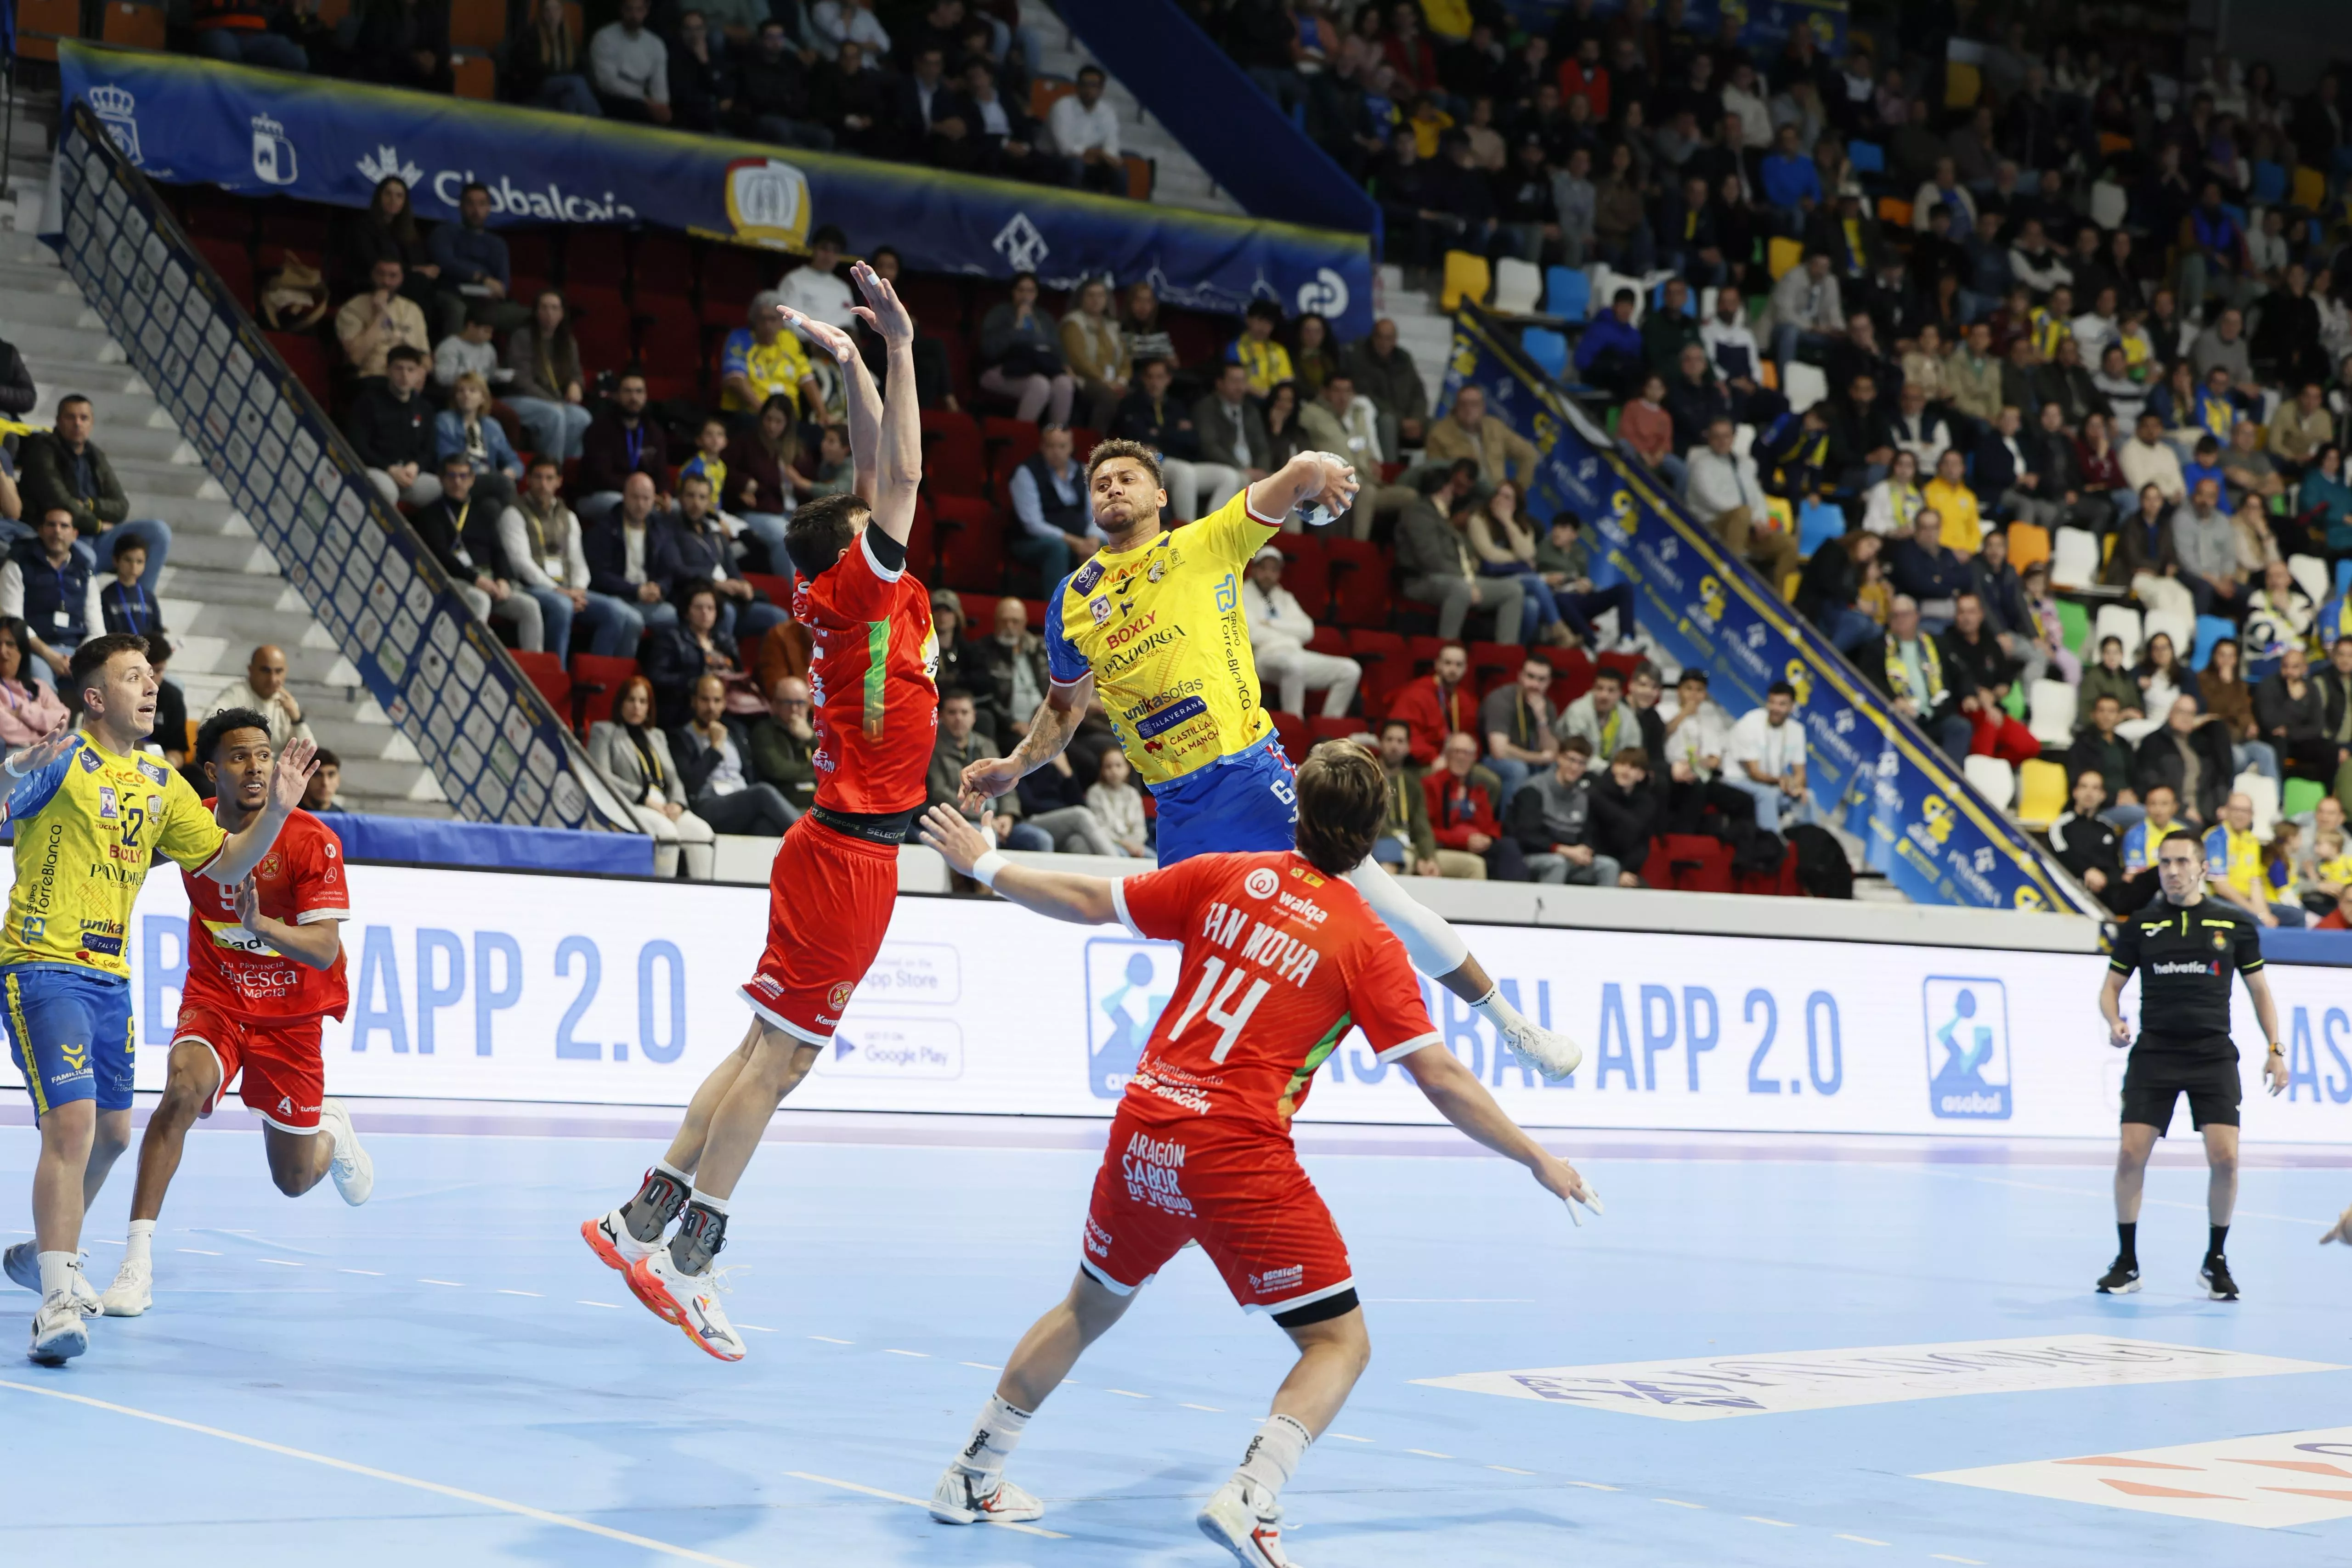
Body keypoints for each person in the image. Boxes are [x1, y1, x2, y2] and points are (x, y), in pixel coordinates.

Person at [918, 744, 1598, 1551]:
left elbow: (1086, 896)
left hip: (1145, 1127)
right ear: (1376, 834)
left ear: (1298, 813)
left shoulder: (1224, 873)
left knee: (1088, 1304)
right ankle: (1252, 1494)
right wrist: (1536, 1156)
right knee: (1340, 1341)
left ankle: (971, 1471)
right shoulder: (1368, 942)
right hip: (1236, 1151)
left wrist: (986, 860)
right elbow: (1442, 1077)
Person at [958, 437, 1582, 1078]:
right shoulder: (1072, 598)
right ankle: (1200, 1093)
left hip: (1254, 782)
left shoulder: (1206, 543)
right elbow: (1063, 709)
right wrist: (1015, 765)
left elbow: (1294, 477)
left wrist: (1321, 472)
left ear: (1160, 495)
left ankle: (1512, 1023)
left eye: (1127, 478)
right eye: (1101, 484)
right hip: (1177, 809)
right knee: (1206, 963)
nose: (1112, 489)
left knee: (1385, 905)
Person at [580, 263, 936, 1360]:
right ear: (859, 540)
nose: (891, 508)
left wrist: (846, 364)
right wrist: (904, 350)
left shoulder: (844, 588)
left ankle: (640, 1215)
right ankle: (694, 1253)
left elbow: (878, 467)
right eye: (877, 517)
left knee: (764, 1051)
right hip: (848, 856)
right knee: (779, 1067)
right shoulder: (868, 584)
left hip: (838, 848)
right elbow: (904, 470)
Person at [0, 636, 315, 1363]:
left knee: (113, 1136)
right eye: (132, 677)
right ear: (94, 696)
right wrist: (14, 766)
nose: (150, 687)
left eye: (152, 676)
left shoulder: (160, 779)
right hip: (42, 964)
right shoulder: (62, 760)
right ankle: (57, 1300)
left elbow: (228, 859)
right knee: (74, 1126)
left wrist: (277, 813)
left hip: (110, 978)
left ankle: (45, 1248)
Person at [90, 710, 365, 1319]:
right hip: (216, 999)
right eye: (240, 756)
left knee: (293, 1179)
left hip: (292, 1016)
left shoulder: (312, 837)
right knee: (180, 1093)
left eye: (264, 754)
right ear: (211, 769)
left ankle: (332, 1131)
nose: (256, 766)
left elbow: (323, 948)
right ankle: (136, 1265)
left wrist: (261, 925)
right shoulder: (192, 823)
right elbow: (128, 856)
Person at [2096, 827, 2287, 1303]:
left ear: (2203, 867)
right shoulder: (2140, 924)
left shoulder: (2233, 925)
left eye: (2182, 862)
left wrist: (2275, 1048)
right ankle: (2126, 1262)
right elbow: (2109, 989)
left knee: (2225, 1159)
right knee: (2128, 1155)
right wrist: (2114, 1020)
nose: (2172, 871)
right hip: (2154, 1052)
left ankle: (2215, 1260)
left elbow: (2259, 990)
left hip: (2211, 1054)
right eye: (2164, 863)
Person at [17, 395, 170, 592]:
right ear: (58, 420)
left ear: (92, 423)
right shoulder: (43, 451)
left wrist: (90, 505)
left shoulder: (95, 455)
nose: (77, 424)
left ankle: (141, 607)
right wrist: (97, 524)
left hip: (97, 538)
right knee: (86, 555)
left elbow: (121, 506)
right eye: (70, 417)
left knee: (158, 532)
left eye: (84, 418)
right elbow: (60, 501)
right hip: (62, 537)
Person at [502, 456, 627, 662]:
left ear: (559, 481)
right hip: (531, 587)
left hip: (568, 589)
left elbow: (578, 560)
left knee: (617, 612)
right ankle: (555, 673)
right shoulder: (513, 513)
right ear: (529, 480)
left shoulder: (568, 516)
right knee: (562, 606)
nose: (544, 484)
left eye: (550, 478)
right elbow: (521, 563)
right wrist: (558, 591)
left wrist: (577, 589)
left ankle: (593, 677)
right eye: (538, 478)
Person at [590, 674, 714, 879]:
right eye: (631, 700)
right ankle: (661, 897)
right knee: (667, 835)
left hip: (664, 805)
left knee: (703, 834)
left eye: (643, 701)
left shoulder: (657, 735)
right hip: (631, 805)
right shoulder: (604, 731)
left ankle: (703, 899)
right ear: (621, 702)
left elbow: (673, 777)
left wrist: (678, 804)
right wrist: (643, 798)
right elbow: (600, 776)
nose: (637, 707)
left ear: (649, 707)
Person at [413, 456, 543, 652]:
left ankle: (533, 668)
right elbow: (442, 557)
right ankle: (471, 659)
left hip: (489, 581)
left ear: (472, 480)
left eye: (463, 476)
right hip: (457, 580)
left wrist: (503, 580)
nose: (458, 482)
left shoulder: (484, 512)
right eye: (452, 476)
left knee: (530, 606)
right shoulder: (430, 515)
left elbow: (499, 551)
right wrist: (476, 580)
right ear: (441, 479)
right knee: (480, 600)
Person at [1395, 481, 1525, 643]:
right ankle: (1448, 649)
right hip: (1423, 579)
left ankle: (1505, 656)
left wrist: (1471, 568)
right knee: (1461, 589)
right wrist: (1466, 581)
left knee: (1513, 591)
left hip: (1459, 578)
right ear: (1443, 489)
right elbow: (1430, 559)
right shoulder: (1418, 513)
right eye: (1451, 489)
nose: (1453, 494)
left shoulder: (1447, 518)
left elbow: (1465, 552)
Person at [674, 672, 797, 836]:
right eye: (705, 700)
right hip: (708, 805)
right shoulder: (681, 738)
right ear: (694, 701)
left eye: (717, 701)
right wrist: (715, 749)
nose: (711, 707)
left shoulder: (736, 732)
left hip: (742, 802)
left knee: (765, 827)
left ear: (724, 703)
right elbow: (689, 784)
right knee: (763, 792)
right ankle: (811, 838)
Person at [1684, 417, 1798, 594]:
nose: (1722, 441)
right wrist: (1751, 519)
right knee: (1742, 513)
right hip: (1713, 526)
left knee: (1789, 544)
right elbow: (1713, 500)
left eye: (1726, 436)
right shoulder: (1700, 464)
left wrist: (1761, 522)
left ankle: (1777, 600)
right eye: (1717, 437)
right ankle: (1732, 584)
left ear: (1734, 437)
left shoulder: (1745, 464)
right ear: (1709, 439)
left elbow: (1757, 497)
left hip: (1746, 527)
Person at [1244, 546, 1360, 718]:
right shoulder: (1241, 593)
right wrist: (1289, 631)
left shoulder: (1285, 597)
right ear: (1254, 569)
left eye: (1274, 570)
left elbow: (1307, 630)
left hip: (1296, 652)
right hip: (1262, 657)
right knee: (1294, 666)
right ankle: (1295, 722)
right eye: (1264, 568)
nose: (1268, 574)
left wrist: (1270, 623)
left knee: (1350, 670)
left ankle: (1328, 727)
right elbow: (1252, 634)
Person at [1, 508, 102, 689]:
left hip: (76, 652)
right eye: (51, 525)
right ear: (41, 530)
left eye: (64, 526)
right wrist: (50, 656)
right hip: (34, 650)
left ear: (74, 534)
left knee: (104, 688)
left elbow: (97, 629)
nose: (57, 531)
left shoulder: (85, 570)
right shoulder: (18, 563)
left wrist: (78, 659)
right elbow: (13, 622)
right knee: (44, 686)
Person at [1869, 594, 1972, 763]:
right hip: (1903, 717)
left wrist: (1969, 694)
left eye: (1905, 614)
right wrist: (1894, 699)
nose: (1900, 619)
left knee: (1961, 727)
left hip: (1937, 714)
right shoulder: (1878, 648)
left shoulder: (1936, 643)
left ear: (1916, 616)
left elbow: (1960, 672)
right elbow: (1871, 678)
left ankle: (1946, 779)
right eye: (1895, 615)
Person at [1508, 736, 1621, 886]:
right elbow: (1527, 836)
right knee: (1557, 863)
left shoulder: (1585, 794)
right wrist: (1562, 850)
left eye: (1582, 763)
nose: (1575, 768)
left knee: (1609, 866)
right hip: (1535, 856)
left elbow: (1589, 832)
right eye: (1571, 760)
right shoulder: (1534, 790)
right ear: (1559, 758)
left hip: (1571, 856)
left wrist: (1585, 849)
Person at [1005, 424, 1103, 588]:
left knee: (1109, 545)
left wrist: (1092, 540)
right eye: (1051, 446)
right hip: (1031, 541)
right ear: (1042, 447)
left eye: (1062, 446)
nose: (1056, 452)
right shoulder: (1026, 473)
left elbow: (1096, 513)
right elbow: (1033, 525)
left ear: (1071, 447)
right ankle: (1055, 610)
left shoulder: (1084, 471)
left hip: (1080, 540)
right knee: (1058, 549)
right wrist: (1075, 543)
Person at [343, 345, 441, 509]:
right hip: (377, 469)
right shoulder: (369, 402)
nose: (405, 375)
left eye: (411, 370)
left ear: (418, 374)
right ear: (388, 370)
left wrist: (415, 467)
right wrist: (389, 469)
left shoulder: (425, 408)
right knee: (388, 491)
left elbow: (428, 450)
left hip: (409, 474)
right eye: (399, 369)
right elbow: (358, 445)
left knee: (439, 488)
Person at [503, 290, 593, 462]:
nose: (549, 313)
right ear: (536, 312)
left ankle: (568, 469)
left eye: (554, 308)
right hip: (521, 398)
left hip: (555, 402)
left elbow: (576, 372)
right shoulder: (523, 336)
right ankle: (551, 466)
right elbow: (522, 381)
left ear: (562, 314)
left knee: (582, 417)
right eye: (544, 308)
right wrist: (552, 401)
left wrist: (576, 384)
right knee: (554, 415)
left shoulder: (567, 341)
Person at [1425, 731, 1526, 880]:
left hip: (1478, 846)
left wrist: (1489, 839)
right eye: (1456, 752)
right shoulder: (1432, 785)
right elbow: (1426, 831)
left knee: (1508, 847)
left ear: (1473, 758)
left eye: (1467, 753)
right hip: (1446, 846)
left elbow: (1490, 825)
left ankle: (1514, 900)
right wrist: (1463, 841)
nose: (1461, 757)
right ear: (1447, 754)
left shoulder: (1478, 789)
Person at [1721, 681, 1809, 832]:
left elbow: (1800, 772)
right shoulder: (1750, 722)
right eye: (1772, 703)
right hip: (1736, 780)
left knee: (1808, 798)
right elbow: (1754, 774)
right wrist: (1781, 781)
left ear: (1792, 707)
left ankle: (1809, 846)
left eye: (1782, 704)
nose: (1776, 709)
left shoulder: (1797, 730)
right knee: (1768, 795)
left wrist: (1796, 787)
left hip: (1770, 783)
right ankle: (1772, 845)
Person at [1480, 655, 1557, 807]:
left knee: (1557, 768)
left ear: (1549, 683)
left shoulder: (1547, 706)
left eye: (1542, 680)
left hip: (1528, 757)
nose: (1535, 684)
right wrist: (1539, 758)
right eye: (1530, 677)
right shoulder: (1501, 699)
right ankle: (1509, 826)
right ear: (1520, 676)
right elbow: (1499, 751)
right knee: (1517, 770)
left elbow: (1552, 752)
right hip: (1490, 759)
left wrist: (1542, 720)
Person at [208, 644, 315, 750]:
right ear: (251, 670)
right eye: (265, 671)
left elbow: (310, 751)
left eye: (279, 671)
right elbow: (207, 728)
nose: (272, 679)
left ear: (286, 672)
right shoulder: (237, 694)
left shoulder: (287, 703)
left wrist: (297, 719)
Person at [0, 618, 68, 745]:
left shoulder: (39, 686)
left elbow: (63, 718)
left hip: (47, 750)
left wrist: (23, 712)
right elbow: (5, 728)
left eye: (10, 644)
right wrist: (41, 739)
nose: (3, 652)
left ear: (22, 651)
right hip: (14, 756)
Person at [1084, 746, 1149, 857]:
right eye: (1108, 767)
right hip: (1110, 843)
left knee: (1155, 859)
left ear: (1128, 768)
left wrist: (1135, 845)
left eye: (1118, 766)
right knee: (1123, 856)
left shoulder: (1133, 794)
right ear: (1102, 770)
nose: (1114, 771)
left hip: (1134, 845)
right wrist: (1125, 844)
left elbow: (1140, 828)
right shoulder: (1095, 792)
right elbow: (1099, 828)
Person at [301, 747, 342, 813]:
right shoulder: (286, 817)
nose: (325, 783)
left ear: (339, 780)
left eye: (331, 775)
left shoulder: (343, 819)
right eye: (317, 775)